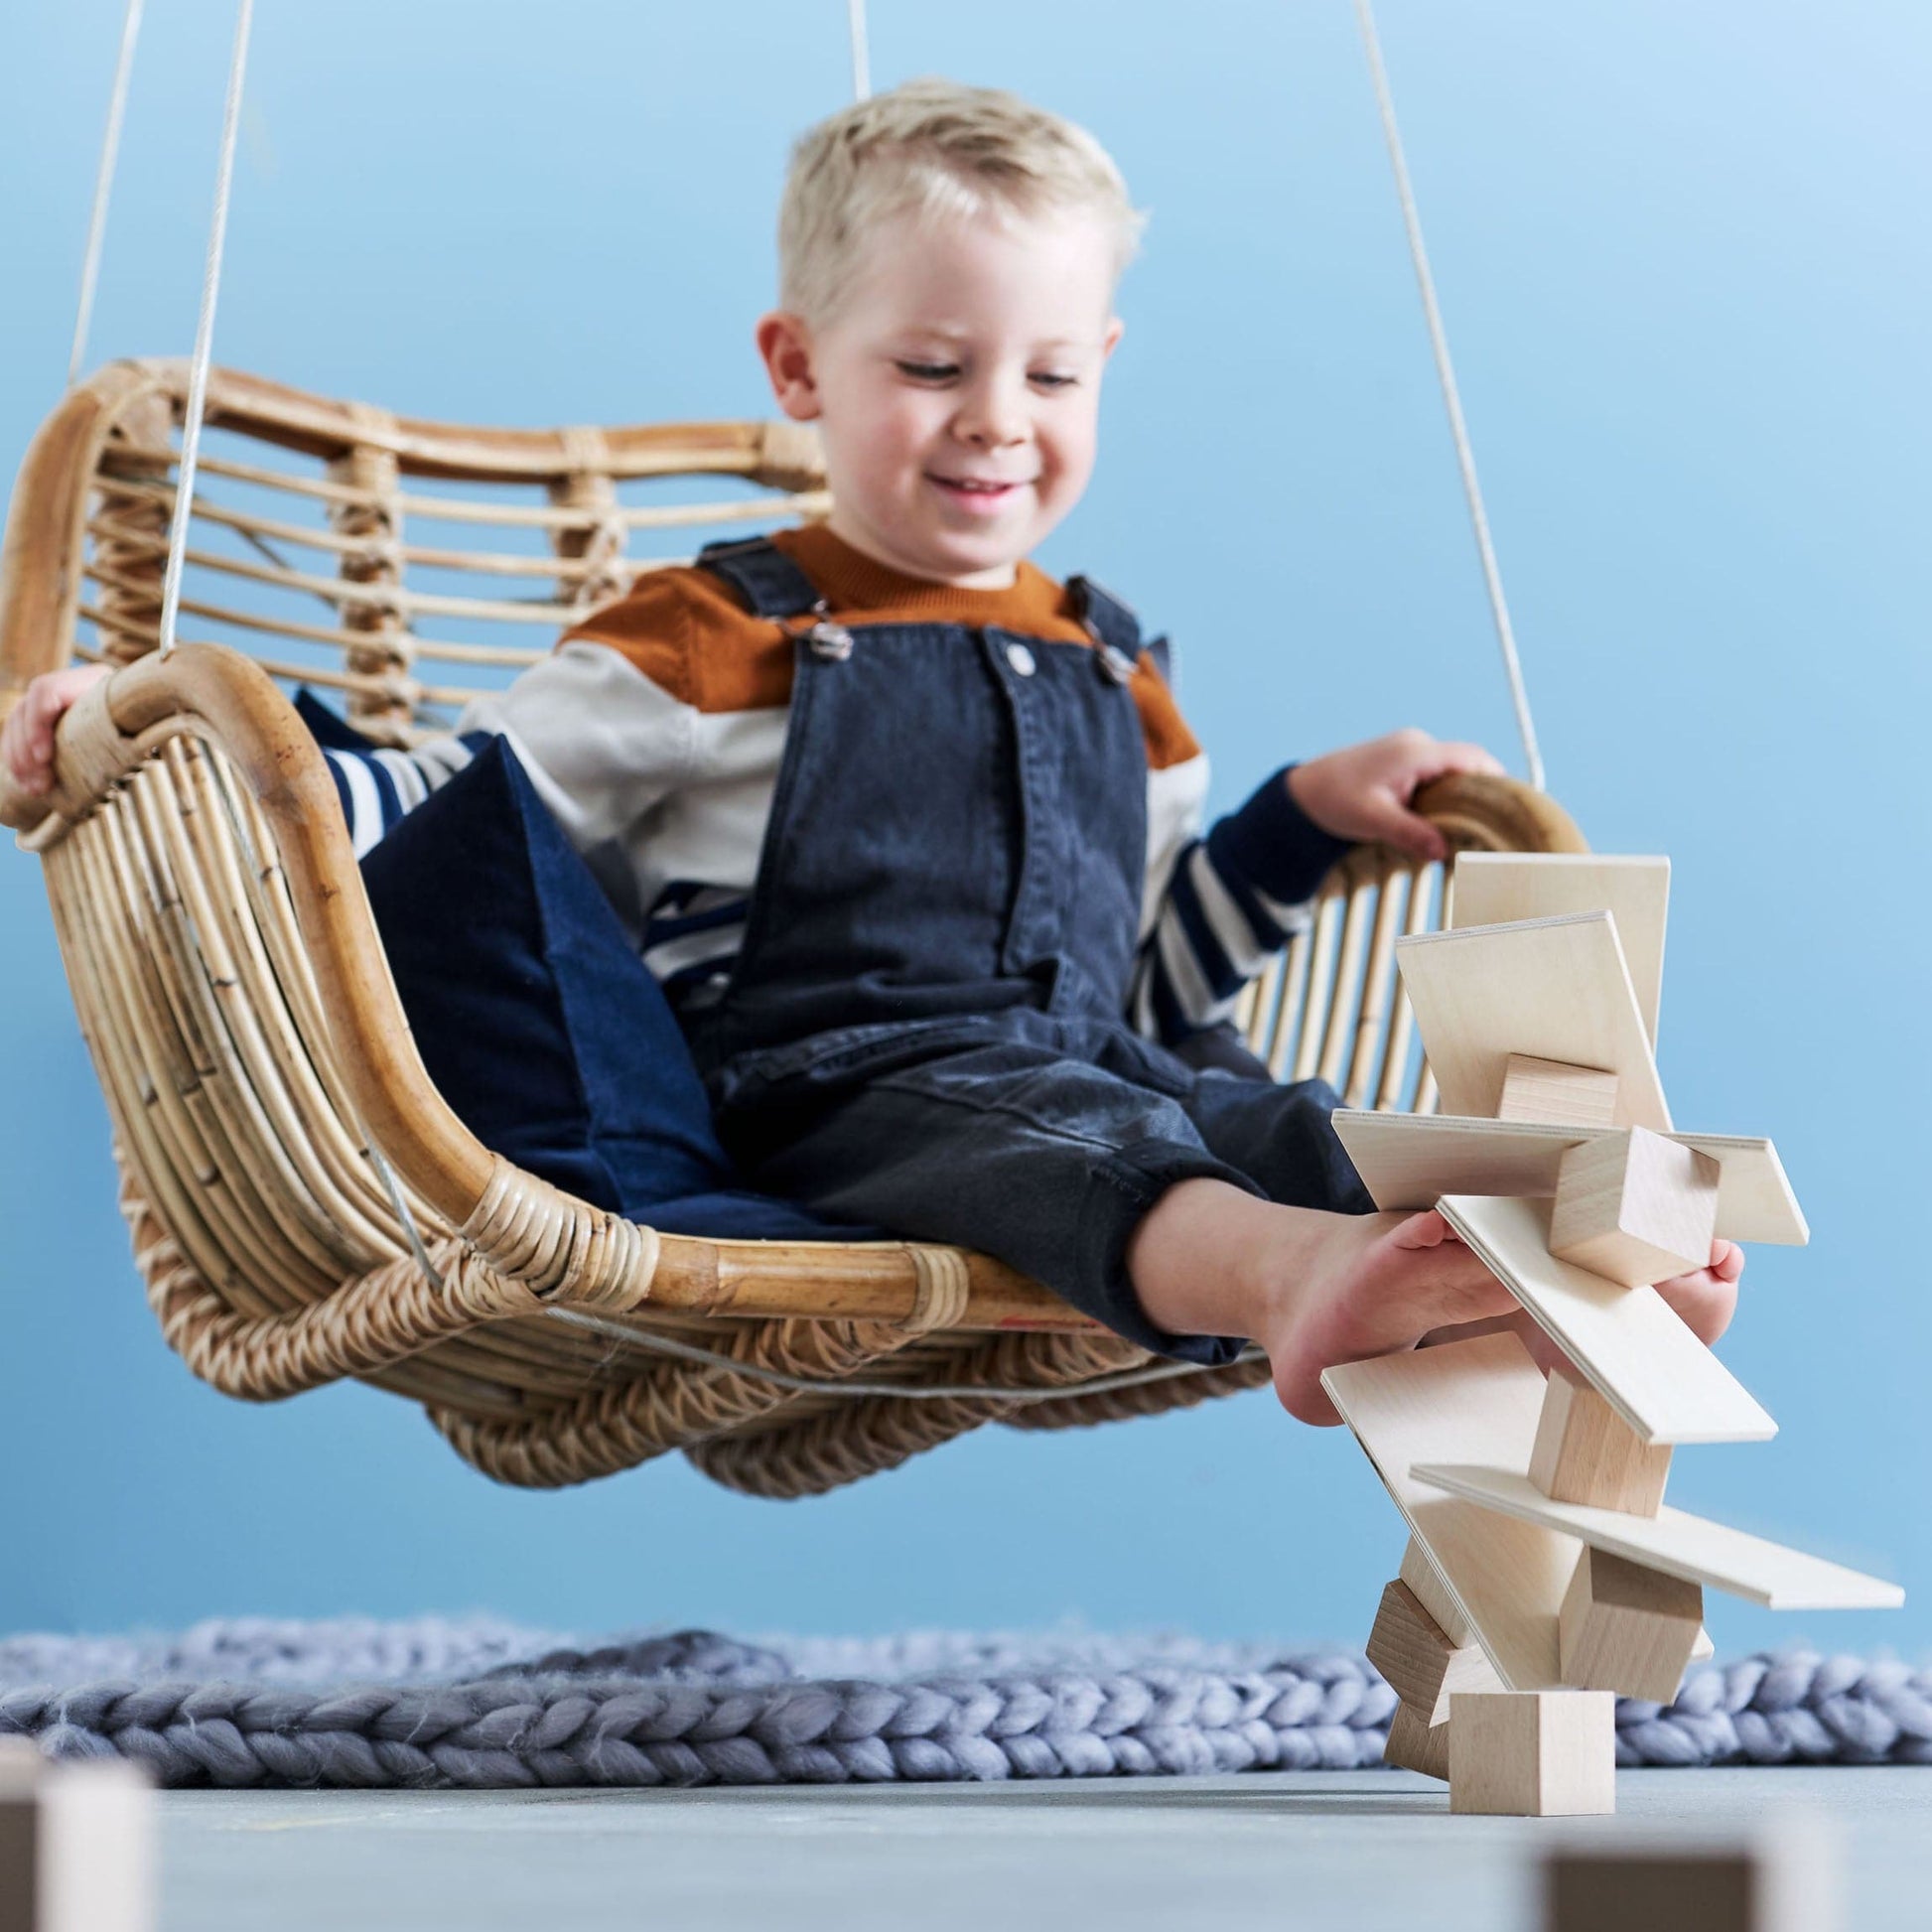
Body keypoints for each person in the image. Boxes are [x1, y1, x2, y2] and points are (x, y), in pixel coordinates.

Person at [2, 79, 1739, 1424]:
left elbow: (1147, 964)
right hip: (832, 1091)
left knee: (1257, 1107)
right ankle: (1294, 1284)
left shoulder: (1118, 672)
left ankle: (1558, 1265)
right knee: (1077, 1146)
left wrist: (1287, 826)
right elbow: (465, 809)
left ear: (1103, 366)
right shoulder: (710, 630)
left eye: (1052, 373)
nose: (997, 416)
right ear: (799, 370)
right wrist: (165, 733)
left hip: (1077, 1054)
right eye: (931, 362)